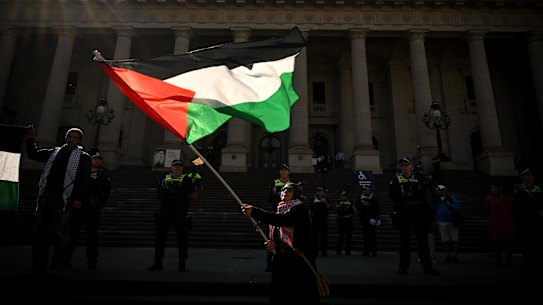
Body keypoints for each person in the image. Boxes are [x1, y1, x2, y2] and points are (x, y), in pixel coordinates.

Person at [25, 126, 91, 276]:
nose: (72, 139)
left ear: (79, 140)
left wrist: (79, 198)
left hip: (65, 199)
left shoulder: (84, 157)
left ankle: (56, 266)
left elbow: (84, 181)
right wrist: (30, 139)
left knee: (60, 234)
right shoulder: (54, 153)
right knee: (39, 233)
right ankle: (38, 266)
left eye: (75, 137)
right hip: (47, 196)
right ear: (66, 138)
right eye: (70, 136)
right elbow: (33, 154)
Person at [241, 182, 320, 304]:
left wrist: (255, 212)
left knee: (298, 295)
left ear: (296, 194)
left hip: (298, 261)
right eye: (283, 189)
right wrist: (273, 245)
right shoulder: (280, 209)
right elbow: (278, 228)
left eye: (289, 190)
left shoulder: (300, 210)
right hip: (283, 260)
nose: (285, 191)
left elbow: (283, 221)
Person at [388, 156, 439, 276]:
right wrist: (403, 196)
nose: (404, 167)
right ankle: (403, 267)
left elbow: (426, 191)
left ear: (411, 166)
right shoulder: (396, 179)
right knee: (405, 241)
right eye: (402, 165)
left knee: (423, 241)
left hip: (418, 210)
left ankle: (428, 268)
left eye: (406, 164)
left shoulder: (419, 177)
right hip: (404, 210)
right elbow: (391, 196)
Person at [63, 150, 111, 269]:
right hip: (79, 207)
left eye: (99, 159)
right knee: (73, 235)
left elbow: (106, 192)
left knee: (92, 236)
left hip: (93, 210)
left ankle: (92, 260)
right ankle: (66, 259)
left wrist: (99, 204)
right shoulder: (82, 173)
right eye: (95, 158)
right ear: (90, 160)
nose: (97, 160)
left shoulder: (103, 175)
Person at [148, 159, 196, 272]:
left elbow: (193, 196)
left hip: (180, 212)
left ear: (183, 168)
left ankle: (182, 264)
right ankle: (158, 262)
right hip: (165, 211)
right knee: (160, 238)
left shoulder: (186, 179)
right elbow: (159, 194)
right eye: (175, 166)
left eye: (180, 166)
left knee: (182, 239)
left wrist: (184, 203)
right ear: (171, 168)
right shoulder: (164, 179)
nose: (178, 168)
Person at [512, 168, 543, 279]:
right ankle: (529, 265)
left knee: (537, 243)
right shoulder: (518, 189)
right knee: (527, 244)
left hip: (536, 220)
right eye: (527, 175)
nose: (530, 177)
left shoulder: (537, 188)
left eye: (531, 175)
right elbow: (517, 205)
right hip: (524, 220)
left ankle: (537, 263)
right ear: (523, 177)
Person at [265, 163, 292, 271]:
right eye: (282, 170)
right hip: (275, 214)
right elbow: (270, 198)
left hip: (287, 214)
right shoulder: (274, 182)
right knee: (272, 239)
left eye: (285, 170)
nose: (283, 172)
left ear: (289, 172)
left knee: (287, 240)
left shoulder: (292, 184)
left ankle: (286, 263)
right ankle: (269, 263)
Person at [484, 183, 514, 266]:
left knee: (508, 242)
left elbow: (510, 209)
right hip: (494, 222)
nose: (492, 189)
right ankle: (498, 260)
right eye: (491, 188)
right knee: (496, 242)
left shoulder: (507, 198)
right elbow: (487, 210)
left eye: (494, 188)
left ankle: (509, 260)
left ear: (498, 189)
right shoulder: (488, 199)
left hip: (505, 221)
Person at [435, 184, 462, 263]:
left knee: (455, 239)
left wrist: (451, 205)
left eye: (443, 189)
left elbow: (459, 206)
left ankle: (455, 255)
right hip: (441, 221)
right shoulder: (436, 199)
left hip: (451, 221)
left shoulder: (451, 198)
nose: (442, 191)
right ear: (437, 191)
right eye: (440, 190)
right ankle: (448, 255)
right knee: (445, 240)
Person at [356, 185, 381, 256]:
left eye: (365, 189)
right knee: (365, 236)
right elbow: (357, 205)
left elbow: (377, 208)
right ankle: (366, 251)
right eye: (363, 189)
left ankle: (374, 251)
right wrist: (361, 205)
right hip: (364, 219)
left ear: (369, 190)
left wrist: (377, 217)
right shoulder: (361, 196)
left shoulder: (374, 197)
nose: (364, 191)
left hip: (372, 218)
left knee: (373, 236)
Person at [310, 186, 330, 256]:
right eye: (318, 191)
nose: (319, 192)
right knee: (314, 237)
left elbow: (330, 207)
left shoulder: (326, 199)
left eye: (320, 191)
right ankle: (315, 251)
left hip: (323, 220)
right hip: (315, 221)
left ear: (323, 192)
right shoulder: (313, 199)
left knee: (324, 236)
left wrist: (325, 203)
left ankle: (324, 252)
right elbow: (310, 208)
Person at [335, 190, 354, 255]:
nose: (344, 197)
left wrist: (348, 214)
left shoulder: (350, 202)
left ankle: (348, 251)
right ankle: (338, 251)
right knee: (340, 237)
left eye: (345, 195)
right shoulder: (338, 202)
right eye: (343, 195)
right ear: (340, 196)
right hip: (341, 221)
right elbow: (337, 209)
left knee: (349, 237)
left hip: (348, 221)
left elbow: (353, 212)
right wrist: (342, 206)